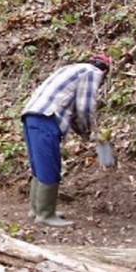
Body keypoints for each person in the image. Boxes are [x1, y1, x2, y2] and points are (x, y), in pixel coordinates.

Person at [21, 54, 112, 227]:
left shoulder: (70, 68)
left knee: (39, 164)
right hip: (46, 118)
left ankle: (36, 209)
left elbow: (72, 109)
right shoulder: (92, 72)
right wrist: (90, 132)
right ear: (104, 70)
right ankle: (46, 214)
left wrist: (85, 134)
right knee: (50, 165)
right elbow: (85, 107)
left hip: (31, 115)